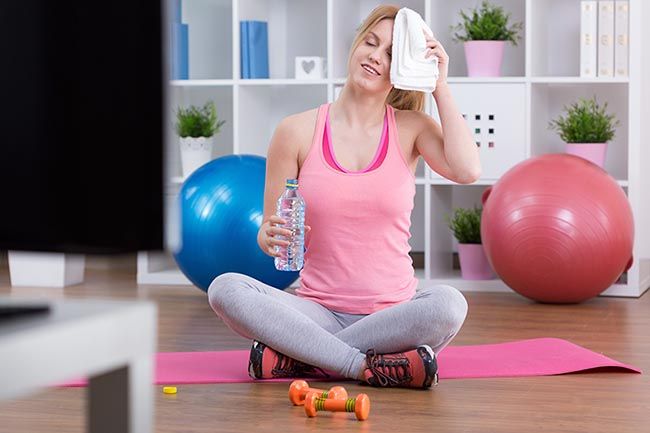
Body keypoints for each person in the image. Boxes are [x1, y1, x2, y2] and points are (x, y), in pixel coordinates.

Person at [208, 4, 480, 389]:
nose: (374, 56)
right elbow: (269, 234)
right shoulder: (295, 130)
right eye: (370, 43)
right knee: (225, 288)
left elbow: (467, 170)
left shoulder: (412, 128)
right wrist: (267, 236)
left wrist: (441, 87)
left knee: (450, 303)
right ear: (355, 46)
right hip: (315, 312)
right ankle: (361, 365)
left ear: (403, 69)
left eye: (390, 53)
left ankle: (304, 358)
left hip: (395, 314)